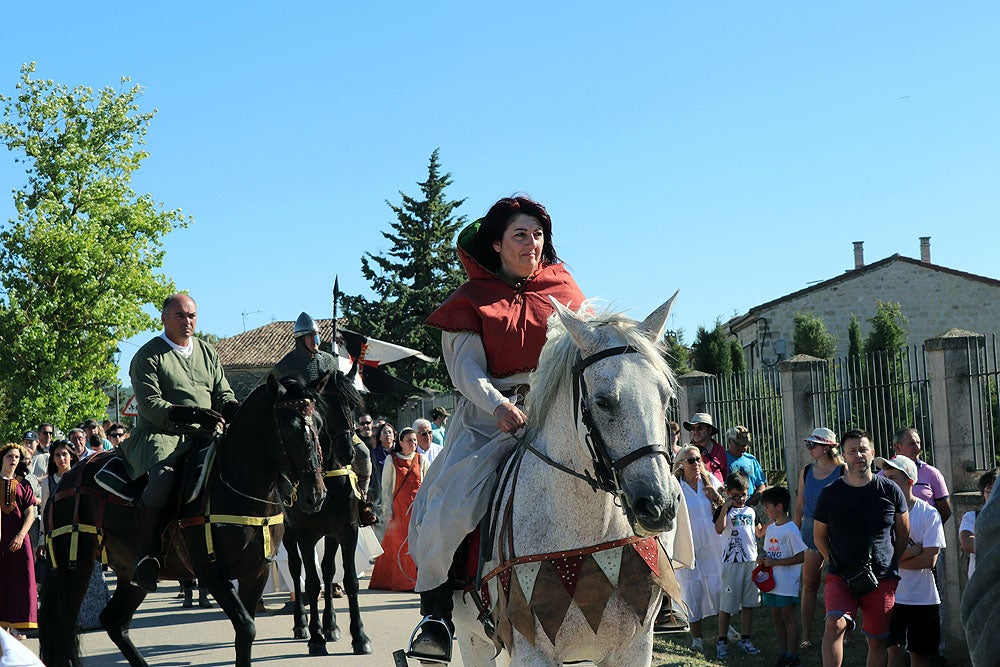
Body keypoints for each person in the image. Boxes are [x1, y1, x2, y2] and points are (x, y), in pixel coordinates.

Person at [407, 195, 586, 663]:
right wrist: (500, 404)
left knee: (641, 469)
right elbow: (467, 371)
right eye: (520, 234)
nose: (532, 243)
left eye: (538, 234)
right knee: (450, 503)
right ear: (497, 244)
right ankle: (437, 617)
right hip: (491, 421)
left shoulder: (565, 291)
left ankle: (661, 588)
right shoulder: (468, 302)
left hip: (559, 411)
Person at [119, 293, 239, 593]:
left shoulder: (208, 352)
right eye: (181, 316)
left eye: (193, 316)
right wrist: (192, 414)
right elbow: (150, 406)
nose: (188, 321)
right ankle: (146, 555)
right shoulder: (147, 356)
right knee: (162, 479)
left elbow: (223, 394)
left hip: (208, 433)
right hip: (162, 436)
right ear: (164, 318)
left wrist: (237, 410)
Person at [813, 429, 909, 667]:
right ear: (843, 456)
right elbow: (819, 537)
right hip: (841, 576)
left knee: (877, 641)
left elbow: (903, 534)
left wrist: (888, 562)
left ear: (872, 452)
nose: (858, 455)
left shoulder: (890, 490)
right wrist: (835, 561)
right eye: (852, 451)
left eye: (863, 449)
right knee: (834, 624)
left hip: (882, 578)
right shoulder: (830, 493)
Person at [271, 311, 376, 526]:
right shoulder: (285, 365)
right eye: (311, 337)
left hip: (334, 426)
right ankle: (283, 507)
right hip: (304, 428)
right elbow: (272, 392)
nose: (316, 341)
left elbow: (342, 391)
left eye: (317, 336)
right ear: (301, 339)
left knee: (363, 454)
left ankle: (363, 502)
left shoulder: (329, 360)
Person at [876, 455, 945, 667]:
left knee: (918, 655)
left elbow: (929, 560)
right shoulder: (880, 514)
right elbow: (878, 559)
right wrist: (910, 552)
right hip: (890, 596)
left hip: (922, 598)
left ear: (910, 481)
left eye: (893, 478)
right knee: (893, 651)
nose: (887, 483)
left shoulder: (929, 514)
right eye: (885, 477)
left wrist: (892, 561)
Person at [39, 440, 109, 630]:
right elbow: (45, 511)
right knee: (63, 579)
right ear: (52, 458)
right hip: (60, 538)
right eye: (57, 455)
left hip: (85, 535)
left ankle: (97, 618)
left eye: (65, 454)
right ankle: (70, 619)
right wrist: (42, 540)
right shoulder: (48, 482)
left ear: (72, 456)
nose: (61, 458)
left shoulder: (83, 477)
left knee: (93, 577)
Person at [793, 426, 846, 650]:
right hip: (810, 529)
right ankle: (806, 633)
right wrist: (794, 534)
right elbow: (800, 504)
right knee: (810, 583)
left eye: (812, 445)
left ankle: (844, 630)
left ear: (826, 448)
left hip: (838, 530)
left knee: (841, 581)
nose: (808, 448)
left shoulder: (844, 470)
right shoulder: (806, 470)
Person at [672, 444, 726, 652]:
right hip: (687, 546)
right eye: (691, 460)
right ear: (680, 464)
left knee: (717, 586)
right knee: (692, 590)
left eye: (698, 460)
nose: (696, 464)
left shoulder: (710, 480)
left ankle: (724, 628)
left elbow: (728, 503)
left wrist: (716, 497)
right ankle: (697, 637)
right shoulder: (675, 485)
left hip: (712, 543)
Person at [369, 428, 428, 591]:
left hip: (416, 510)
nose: (413, 443)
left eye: (415, 440)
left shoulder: (421, 459)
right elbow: (386, 487)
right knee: (398, 546)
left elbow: (428, 484)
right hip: (398, 511)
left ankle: (416, 580)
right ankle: (400, 581)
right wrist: (387, 511)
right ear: (400, 442)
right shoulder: (391, 459)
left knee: (416, 544)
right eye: (409, 440)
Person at [714, 471, 764, 659]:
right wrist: (726, 507)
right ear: (728, 493)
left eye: (743, 495)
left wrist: (777, 520)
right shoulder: (724, 510)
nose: (740, 499)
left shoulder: (751, 511)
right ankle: (722, 641)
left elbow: (758, 533)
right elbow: (719, 529)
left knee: (749, 604)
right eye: (735, 496)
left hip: (750, 562)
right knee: (727, 606)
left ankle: (746, 639)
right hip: (731, 563)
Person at [759, 485, 808, 667]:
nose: (765, 510)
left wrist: (777, 563)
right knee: (776, 617)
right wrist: (762, 560)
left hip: (787, 583)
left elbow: (802, 555)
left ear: (779, 507)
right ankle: (783, 653)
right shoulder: (771, 528)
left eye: (767, 507)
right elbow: (769, 553)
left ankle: (792, 656)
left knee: (788, 617)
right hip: (772, 582)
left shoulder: (791, 529)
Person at [0, 443, 37, 639]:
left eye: (16, 457)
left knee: (20, 581)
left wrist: (21, 535)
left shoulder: (23, 484)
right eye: (9, 456)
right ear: (2, 458)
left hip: (19, 542)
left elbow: (30, 512)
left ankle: (16, 625)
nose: (13, 460)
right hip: (0, 540)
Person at [888, 428, 951, 524]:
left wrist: (929, 529)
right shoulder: (884, 474)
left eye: (918, 443)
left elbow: (945, 510)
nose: (917, 447)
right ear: (897, 447)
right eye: (912, 443)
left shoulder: (933, 473)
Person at [960, 467, 997, 579]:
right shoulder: (972, 517)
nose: (993, 494)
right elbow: (967, 542)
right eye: (989, 489)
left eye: (997, 490)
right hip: (981, 587)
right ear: (983, 493)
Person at [724, 425, 766, 505]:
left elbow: (761, 484)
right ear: (730, 441)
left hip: (749, 506)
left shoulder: (751, 460)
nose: (742, 448)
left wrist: (757, 495)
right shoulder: (722, 459)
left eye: (745, 445)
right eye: (738, 445)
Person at [684, 413, 728, 484]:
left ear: (709, 430)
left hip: (718, 493)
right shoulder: (687, 452)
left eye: (699, 428)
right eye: (693, 428)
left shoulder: (720, 450)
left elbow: (725, 474)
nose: (695, 431)